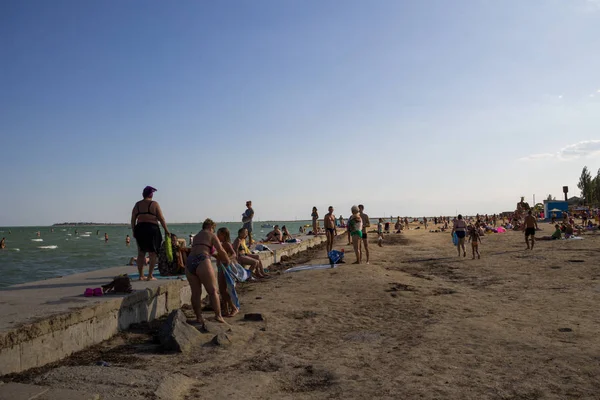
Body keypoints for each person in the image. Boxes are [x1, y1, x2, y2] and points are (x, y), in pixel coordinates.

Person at [187, 219, 230, 328]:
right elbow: (220, 250)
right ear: (211, 227)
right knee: (213, 291)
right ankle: (218, 316)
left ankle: (199, 317)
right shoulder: (211, 235)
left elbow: (201, 247)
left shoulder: (196, 236)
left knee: (196, 293)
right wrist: (227, 261)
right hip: (202, 259)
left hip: (190, 261)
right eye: (214, 229)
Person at [131, 186, 169, 281]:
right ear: (151, 194)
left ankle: (141, 276)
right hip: (152, 229)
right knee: (153, 253)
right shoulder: (154, 204)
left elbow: (133, 219)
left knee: (141, 253)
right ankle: (150, 275)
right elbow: (161, 218)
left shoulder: (137, 205)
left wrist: (134, 230)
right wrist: (166, 230)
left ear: (143, 194)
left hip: (140, 229)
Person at [215, 227, 240, 317]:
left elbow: (234, 254)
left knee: (223, 290)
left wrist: (228, 259)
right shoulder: (221, 244)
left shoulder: (226, 244)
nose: (217, 236)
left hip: (225, 268)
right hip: (220, 267)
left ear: (224, 235)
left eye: (219, 234)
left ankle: (233, 307)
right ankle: (225, 309)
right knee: (222, 290)